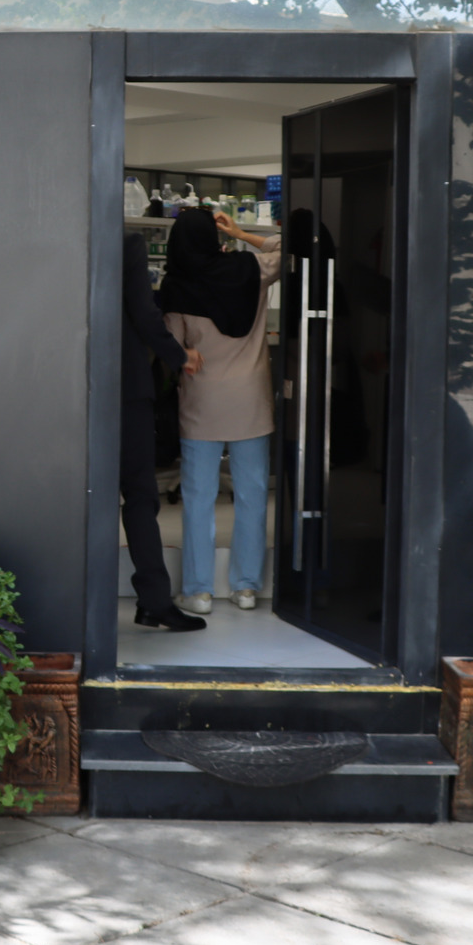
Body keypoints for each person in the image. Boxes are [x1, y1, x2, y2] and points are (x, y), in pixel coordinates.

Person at [158, 207, 282, 614]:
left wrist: (186, 355)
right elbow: (290, 250)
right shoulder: (251, 269)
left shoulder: (176, 284)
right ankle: (246, 588)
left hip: (202, 404)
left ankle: (198, 591)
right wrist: (243, 235)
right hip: (251, 403)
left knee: (198, 498)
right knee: (252, 495)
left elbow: (173, 349)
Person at [121, 231, 206, 631]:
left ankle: (78, 604)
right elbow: (143, 313)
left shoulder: (58, 233)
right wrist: (178, 355)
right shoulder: (126, 243)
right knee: (139, 495)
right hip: (124, 388)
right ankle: (154, 601)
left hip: (67, 387)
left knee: (80, 497)